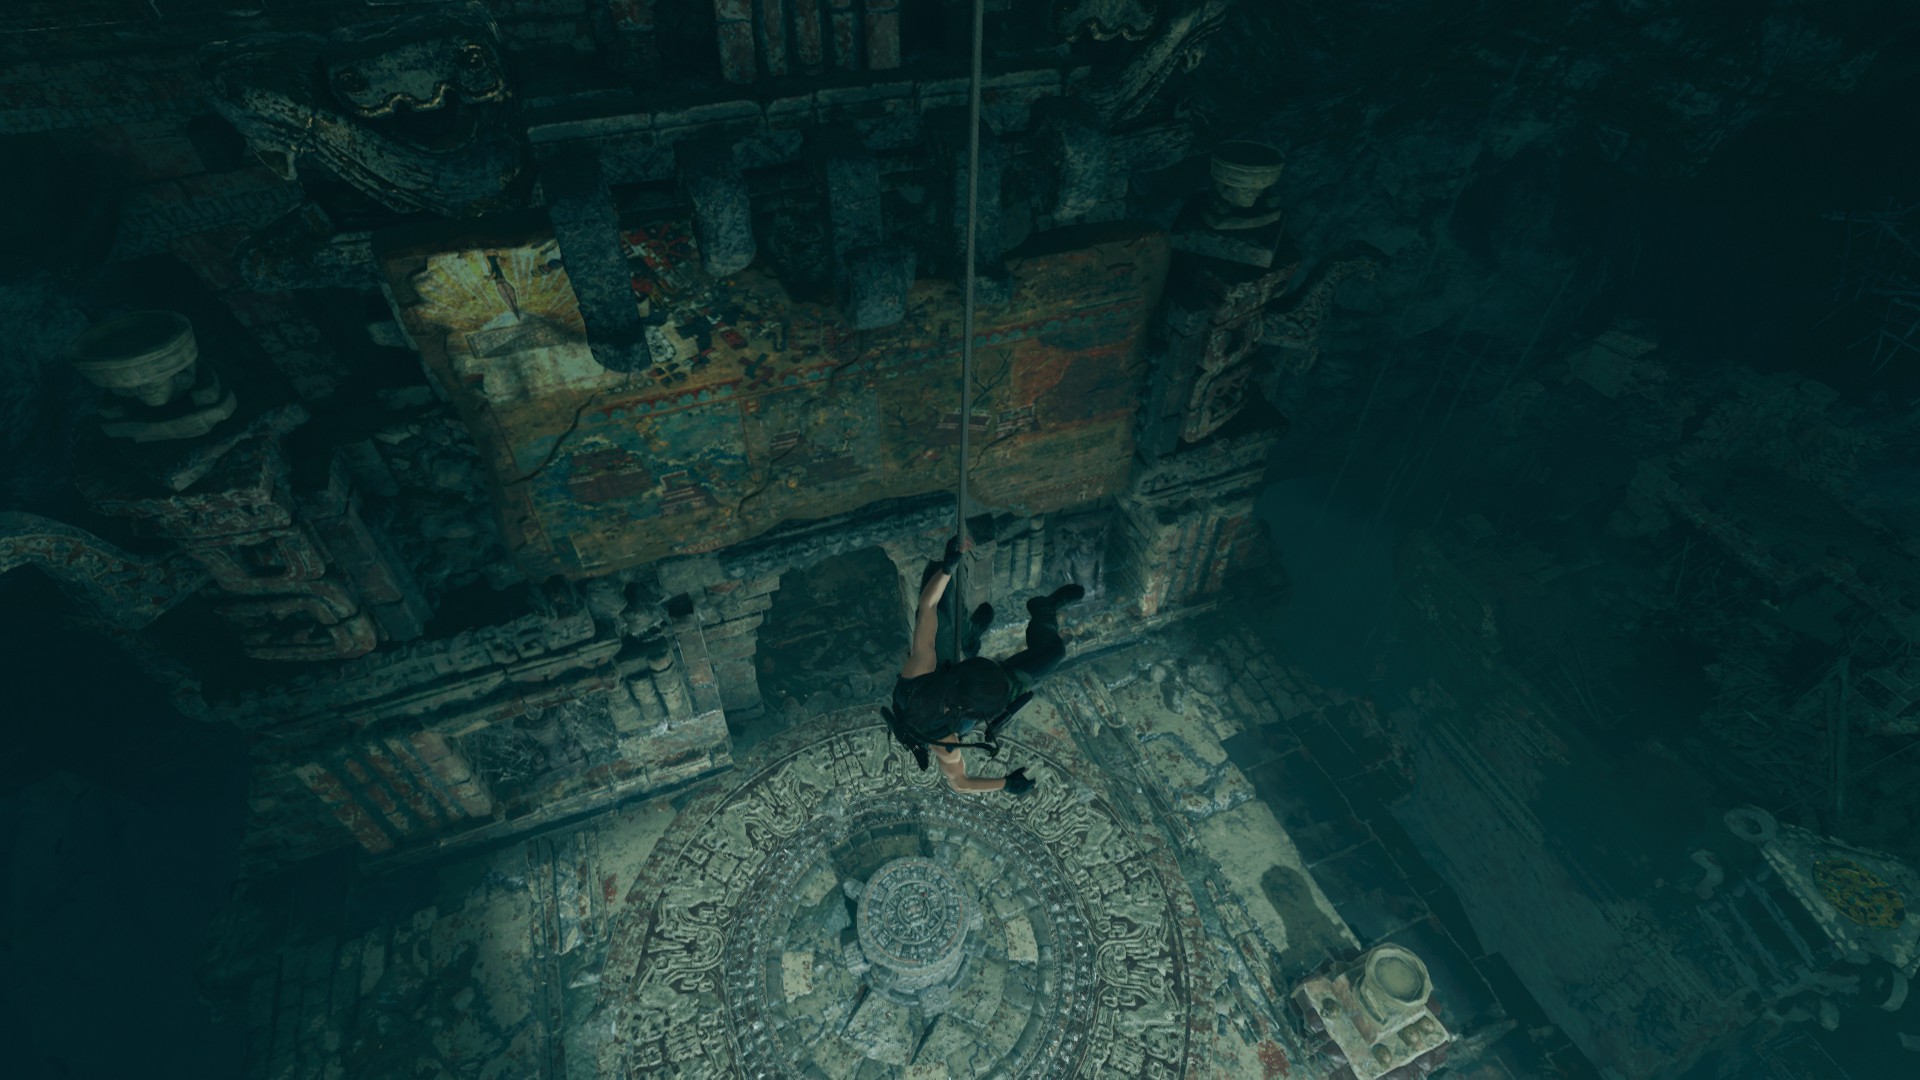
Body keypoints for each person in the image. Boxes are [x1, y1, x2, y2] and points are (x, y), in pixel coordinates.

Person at [884, 534, 1085, 794]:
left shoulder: (921, 668)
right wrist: (1007, 784)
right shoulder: (946, 741)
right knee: (1053, 653)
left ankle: (969, 635)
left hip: (939, 675)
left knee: (937, 577)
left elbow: (927, 605)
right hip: (953, 708)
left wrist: (948, 567)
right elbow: (960, 783)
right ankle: (1040, 611)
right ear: (973, 709)